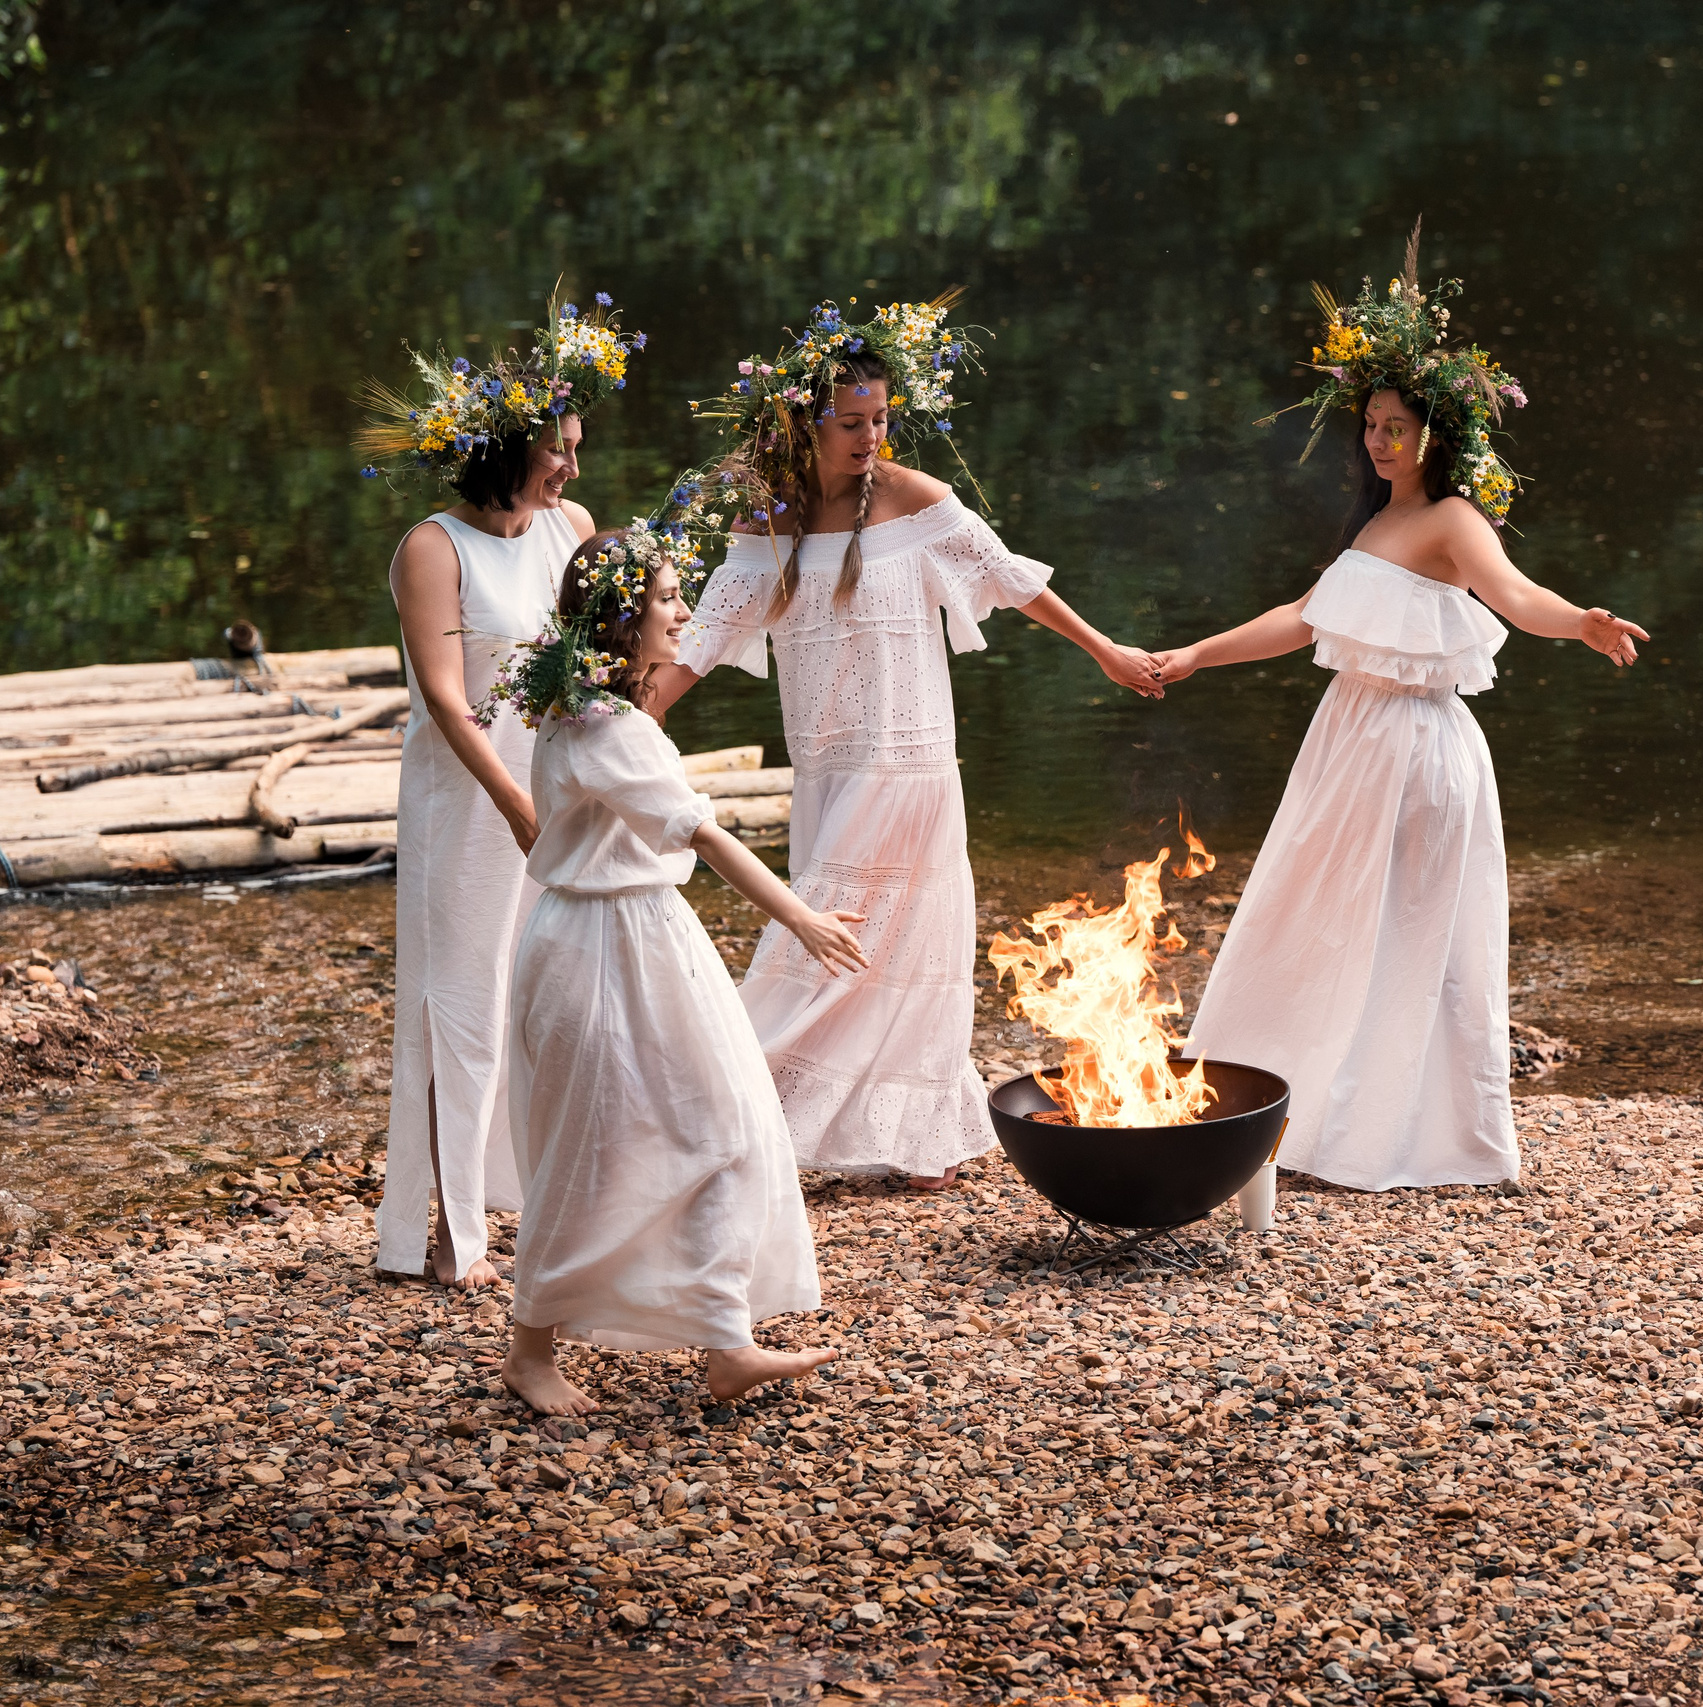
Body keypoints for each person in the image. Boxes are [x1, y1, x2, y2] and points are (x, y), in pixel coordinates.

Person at [1157, 234, 1648, 1191]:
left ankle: (1400, 1131)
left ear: (1437, 434)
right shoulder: (1375, 522)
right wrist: (1196, 655)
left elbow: (1515, 595)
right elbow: (1303, 619)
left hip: (1417, 745)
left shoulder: (1452, 519)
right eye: (1371, 425)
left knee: (1408, 931)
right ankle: (1297, 1108)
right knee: (1323, 915)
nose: (1379, 441)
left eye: (1396, 427)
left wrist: (1581, 623)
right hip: (1350, 736)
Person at [646, 296, 1162, 1189]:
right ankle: (722, 1104)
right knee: (822, 942)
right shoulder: (764, 522)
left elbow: (1009, 579)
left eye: (881, 419)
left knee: (911, 943)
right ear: (802, 426)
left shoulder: (916, 501)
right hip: (829, 769)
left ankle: (909, 1133)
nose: (870, 438)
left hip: (912, 762)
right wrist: (625, 713)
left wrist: (1106, 650)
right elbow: (699, 640)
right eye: (851, 423)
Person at [490, 489, 853, 1414]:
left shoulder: (586, 711)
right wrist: (800, 916)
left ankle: (726, 1339)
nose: (682, 611)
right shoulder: (607, 728)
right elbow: (706, 835)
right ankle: (531, 1348)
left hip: (638, 936)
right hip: (602, 950)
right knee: (599, 1144)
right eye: (665, 597)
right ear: (623, 619)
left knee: (719, 1123)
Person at [360, 296, 638, 1287]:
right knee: (461, 1003)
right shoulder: (431, 548)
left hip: (551, 784)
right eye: (556, 448)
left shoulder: (571, 528)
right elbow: (443, 698)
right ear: (503, 449)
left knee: (549, 994)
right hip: (468, 804)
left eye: (575, 446)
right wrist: (512, 806)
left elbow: (599, 661)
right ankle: (447, 1233)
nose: (570, 467)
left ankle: (536, 1197)